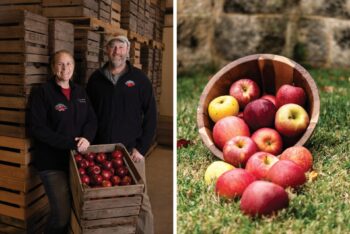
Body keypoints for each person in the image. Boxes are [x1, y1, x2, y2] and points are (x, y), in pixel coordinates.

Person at [86, 35, 157, 234]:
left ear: (128, 50)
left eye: (121, 47)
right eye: (113, 47)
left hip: (131, 151)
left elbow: (151, 116)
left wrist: (141, 148)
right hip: (101, 151)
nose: (117, 51)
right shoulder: (95, 79)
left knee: (140, 199)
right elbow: (88, 115)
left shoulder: (139, 79)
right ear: (106, 50)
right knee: (103, 198)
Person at [29, 50, 97, 234]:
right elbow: (38, 129)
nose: (65, 68)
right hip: (52, 163)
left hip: (76, 161)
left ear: (74, 67)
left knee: (76, 212)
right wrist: (70, 143)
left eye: (68, 64)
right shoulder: (43, 93)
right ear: (53, 67)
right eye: (60, 64)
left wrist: (87, 138)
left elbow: (92, 120)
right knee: (61, 217)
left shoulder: (80, 92)